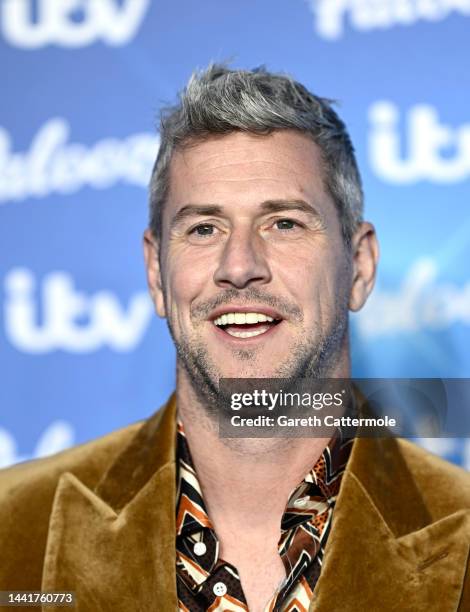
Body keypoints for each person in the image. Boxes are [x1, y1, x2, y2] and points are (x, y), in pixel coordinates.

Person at [1, 65, 469, 612]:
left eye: (284, 224)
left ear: (360, 266)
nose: (240, 266)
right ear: (156, 273)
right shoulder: (13, 529)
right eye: (204, 228)